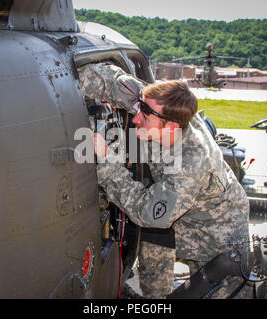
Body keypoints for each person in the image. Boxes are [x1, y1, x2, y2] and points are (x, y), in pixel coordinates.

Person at [78, 62, 250, 299]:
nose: (136, 117)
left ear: (171, 127)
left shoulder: (191, 162)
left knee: (213, 290)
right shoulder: (159, 105)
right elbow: (114, 83)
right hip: (171, 203)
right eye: (140, 108)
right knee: (155, 283)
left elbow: (148, 213)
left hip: (216, 233)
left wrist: (106, 160)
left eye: (145, 117)